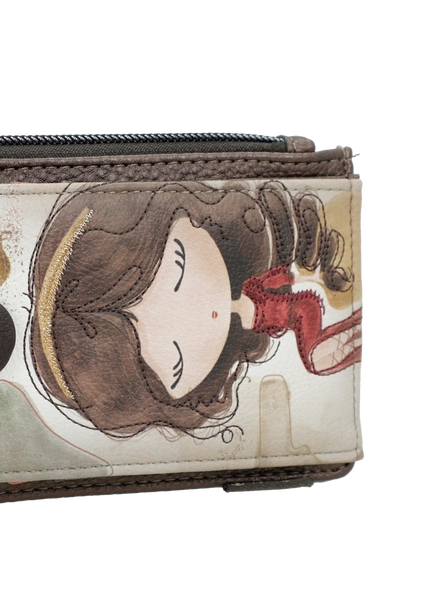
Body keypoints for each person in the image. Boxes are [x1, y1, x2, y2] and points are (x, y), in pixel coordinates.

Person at [29, 180, 363, 439]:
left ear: (183, 212)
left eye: (180, 265)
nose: (204, 316)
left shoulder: (273, 233)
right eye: (178, 362)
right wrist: (316, 351)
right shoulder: (258, 318)